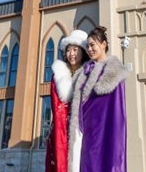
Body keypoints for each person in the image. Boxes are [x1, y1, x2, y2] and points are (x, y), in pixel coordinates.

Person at [68, 26, 128, 172]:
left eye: (92, 45)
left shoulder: (113, 74)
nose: (89, 49)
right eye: (87, 46)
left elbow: (117, 112)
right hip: (84, 132)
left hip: (104, 133)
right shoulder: (83, 72)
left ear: (103, 44)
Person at [45, 30, 90, 172]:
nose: (71, 54)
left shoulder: (88, 75)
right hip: (61, 130)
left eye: (75, 50)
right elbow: (57, 108)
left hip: (84, 128)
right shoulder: (58, 76)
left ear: (83, 52)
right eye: (69, 50)